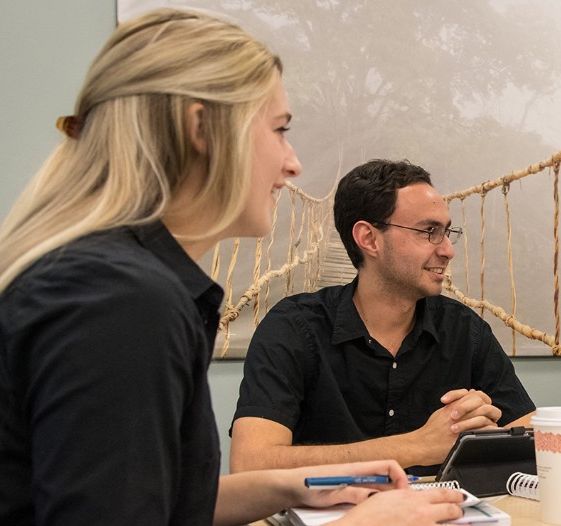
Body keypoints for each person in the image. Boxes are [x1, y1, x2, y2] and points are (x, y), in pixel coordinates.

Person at [0, 10, 471, 526]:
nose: (294, 162)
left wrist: (294, 486)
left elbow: (114, 509)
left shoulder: (91, 275)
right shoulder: (121, 303)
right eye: (279, 130)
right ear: (201, 129)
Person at [229, 158, 535, 477]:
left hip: (439, 521)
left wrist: (490, 437)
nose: (447, 250)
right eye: (429, 231)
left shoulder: (465, 329)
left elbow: (534, 440)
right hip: (327, 525)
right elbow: (250, 463)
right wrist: (417, 446)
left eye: (447, 232)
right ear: (369, 239)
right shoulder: (293, 327)